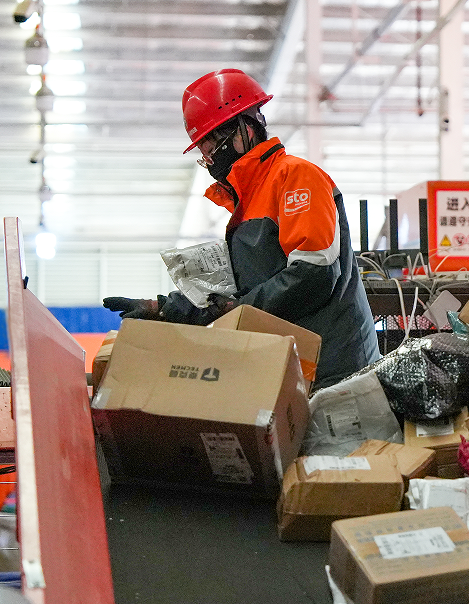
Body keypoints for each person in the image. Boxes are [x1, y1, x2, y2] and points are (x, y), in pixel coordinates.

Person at [103, 69, 380, 388]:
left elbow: (314, 274)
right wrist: (163, 308)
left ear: (245, 129)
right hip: (294, 372)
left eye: (211, 147)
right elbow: (234, 295)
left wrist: (238, 309)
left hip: (336, 372)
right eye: (203, 154)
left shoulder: (296, 177)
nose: (209, 161)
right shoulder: (246, 206)